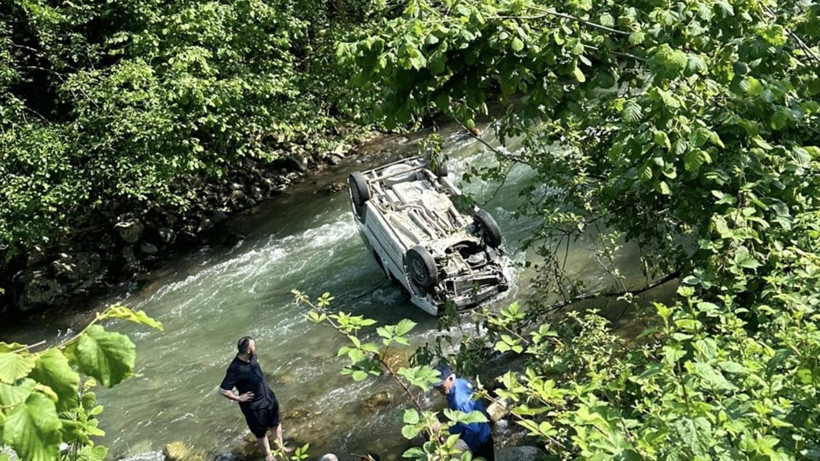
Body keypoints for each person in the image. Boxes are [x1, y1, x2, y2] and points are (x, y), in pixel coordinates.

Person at [219, 336, 289, 461]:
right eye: (253, 346)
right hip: (254, 407)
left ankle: (280, 447)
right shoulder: (235, 369)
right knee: (260, 433)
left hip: (269, 399)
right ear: (247, 350)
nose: (255, 348)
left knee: (276, 423)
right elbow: (223, 390)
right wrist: (239, 398)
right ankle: (268, 455)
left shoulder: (253, 358)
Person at [431, 364, 494, 461]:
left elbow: (474, 430)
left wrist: (469, 449)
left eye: (441, 386)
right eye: (437, 387)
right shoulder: (461, 383)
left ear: (451, 378)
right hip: (483, 431)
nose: (439, 390)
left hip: (480, 443)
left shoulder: (460, 402)